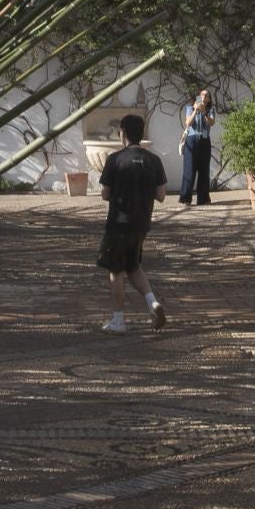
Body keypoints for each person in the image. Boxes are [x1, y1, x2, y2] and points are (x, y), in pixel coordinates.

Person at [96, 113, 169, 333]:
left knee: (115, 270)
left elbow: (105, 194)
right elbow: (162, 195)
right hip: (141, 223)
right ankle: (152, 302)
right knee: (133, 266)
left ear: (123, 133)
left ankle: (118, 320)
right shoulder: (153, 160)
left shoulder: (115, 159)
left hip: (118, 222)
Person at [178, 89, 215, 206]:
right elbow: (188, 123)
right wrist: (195, 110)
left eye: (206, 95)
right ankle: (185, 198)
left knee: (204, 170)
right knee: (189, 169)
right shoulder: (190, 108)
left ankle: (203, 198)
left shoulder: (210, 110)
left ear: (209, 99)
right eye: (202, 94)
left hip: (205, 141)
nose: (204, 97)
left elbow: (211, 123)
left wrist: (204, 112)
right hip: (192, 140)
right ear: (198, 97)